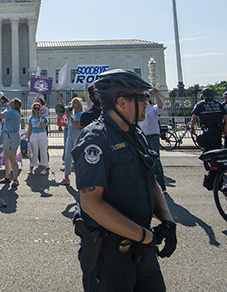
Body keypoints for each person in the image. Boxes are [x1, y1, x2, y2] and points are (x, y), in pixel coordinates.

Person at [72, 70, 176, 291]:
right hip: (111, 255)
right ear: (122, 102)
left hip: (142, 248)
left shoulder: (135, 134)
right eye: (141, 96)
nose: (147, 101)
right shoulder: (95, 139)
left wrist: (167, 221)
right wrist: (143, 236)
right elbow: (91, 203)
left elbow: (151, 179)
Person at [137, 87, 166, 192]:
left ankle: (161, 185)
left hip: (152, 136)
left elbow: (160, 107)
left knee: (155, 160)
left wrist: (157, 95)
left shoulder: (152, 109)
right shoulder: (138, 108)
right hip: (142, 136)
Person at [0, 96, 22, 188]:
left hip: (11, 136)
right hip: (8, 135)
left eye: (11, 101)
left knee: (12, 158)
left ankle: (15, 179)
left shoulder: (12, 112)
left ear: (15, 104)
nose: (9, 102)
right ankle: (7, 176)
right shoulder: (13, 112)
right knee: (7, 157)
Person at [57, 95, 84, 186]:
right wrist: (58, 94)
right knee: (67, 156)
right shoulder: (71, 113)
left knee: (77, 158)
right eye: (72, 102)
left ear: (79, 105)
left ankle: (79, 178)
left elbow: (77, 126)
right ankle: (66, 178)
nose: (73, 104)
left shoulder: (80, 114)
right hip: (70, 135)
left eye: (75, 103)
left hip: (76, 135)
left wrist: (70, 118)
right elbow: (62, 104)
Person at [26, 101, 49, 176]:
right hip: (34, 135)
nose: (37, 110)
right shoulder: (31, 118)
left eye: (38, 108)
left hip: (42, 135)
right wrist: (28, 137)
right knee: (33, 152)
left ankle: (44, 169)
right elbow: (29, 128)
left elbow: (43, 127)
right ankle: (31, 168)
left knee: (43, 152)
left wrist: (41, 118)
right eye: (35, 108)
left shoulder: (44, 117)